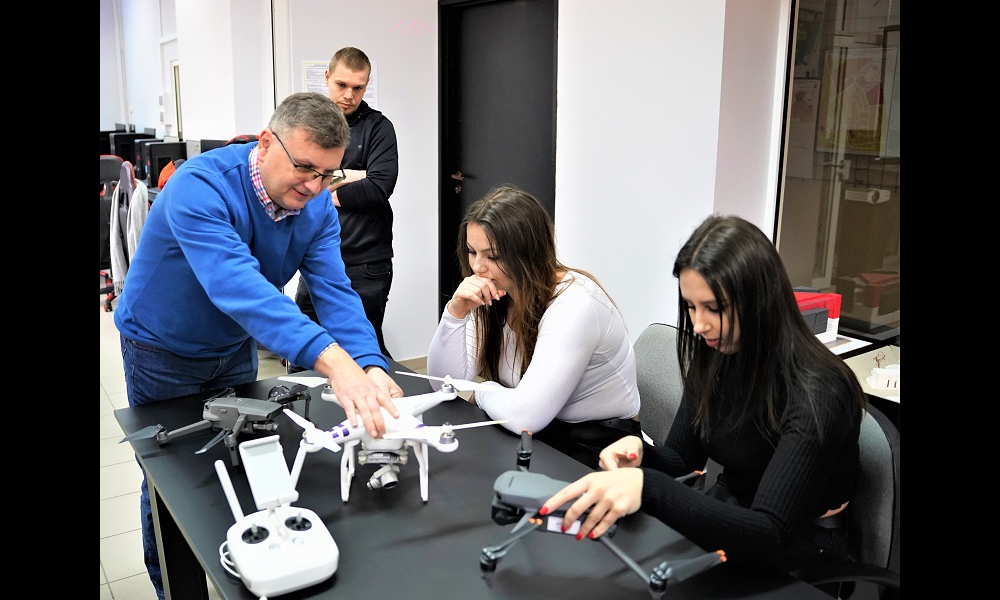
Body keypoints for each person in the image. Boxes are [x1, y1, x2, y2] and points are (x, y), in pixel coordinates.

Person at [114, 92, 403, 599]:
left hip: (232, 346)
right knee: (172, 478)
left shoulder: (316, 208)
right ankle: (174, 588)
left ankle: (248, 562)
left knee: (242, 455)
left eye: (328, 174)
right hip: (162, 346)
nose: (315, 186)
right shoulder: (200, 186)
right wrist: (332, 360)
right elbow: (238, 286)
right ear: (268, 142)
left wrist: (369, 362)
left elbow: (335, 292)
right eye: (305, 168)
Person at [540, 214, 866, 580]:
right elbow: (683, 459)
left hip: (799, 548)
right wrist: (639, 453)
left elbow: (769, 535)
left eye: (713, 308)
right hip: (736, 517)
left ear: (759, 301)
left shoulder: (819, 390)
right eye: (691, 307)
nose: (698, 325)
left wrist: (649, 488)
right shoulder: (719, 353)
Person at [426, 184, 640, 468]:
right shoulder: (497, 293)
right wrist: (455, 312)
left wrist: (484, 390)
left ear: (527, 253)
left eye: (492, 256)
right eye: (471, 251)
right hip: (540, 433)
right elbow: (445, 384)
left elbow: (524, 417)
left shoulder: (575, 304)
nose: (477, 267)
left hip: (597, 446)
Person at [293, 46, 399, 361]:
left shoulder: (379, 128)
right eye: (342, 85)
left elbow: (379, 187)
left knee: (363, 350)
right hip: (316, 260)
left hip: (366, 262)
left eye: (358, 87)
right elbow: (296, 179)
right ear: (327, 78)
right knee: (305, 352)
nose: (349, 95)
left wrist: (322, 187)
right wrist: (352, 175)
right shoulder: (309, 127)